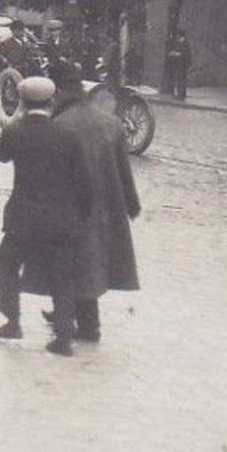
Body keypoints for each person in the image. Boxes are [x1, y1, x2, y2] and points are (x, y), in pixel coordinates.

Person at [0, 76, 94, 357]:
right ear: (51, 101)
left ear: (23, 102)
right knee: (63, 275)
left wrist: (9, 123)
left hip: (24, 218)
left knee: (7, 262)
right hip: (61, 219)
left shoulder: (17, 131)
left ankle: (12, 321)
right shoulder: (68, 136)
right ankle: (63, 339)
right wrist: (83, 216)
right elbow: (84, 182)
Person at [51, 62, 141, 343]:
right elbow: (124, 169)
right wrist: (131, 204)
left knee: (68, 264)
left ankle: (74, 325)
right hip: (106, 207)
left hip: (74, 206)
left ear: (60, 91)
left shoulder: (59, 125)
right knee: (90, 264)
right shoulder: (110, 122)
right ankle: (87, 324)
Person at [165, 28, 193, 99]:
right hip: (181, 64)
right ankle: (181, 94)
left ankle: (181, 95)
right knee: (180, 79)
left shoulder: (185, 43)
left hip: (182, 65)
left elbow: (185, 54)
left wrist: (175, 54)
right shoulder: (182, 42)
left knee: (180, 79)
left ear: (180, 35)